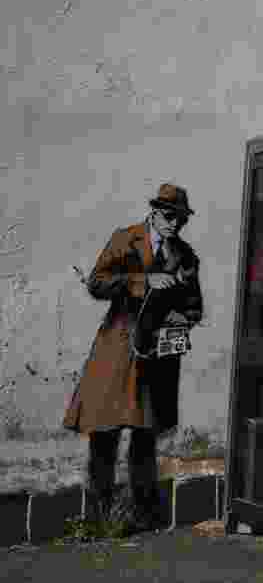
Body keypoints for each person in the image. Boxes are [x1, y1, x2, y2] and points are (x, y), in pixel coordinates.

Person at [63, 184, 204, 531]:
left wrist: (181, 318)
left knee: (145, 437)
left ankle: (144, 516)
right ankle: (97, 517)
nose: (175, 224)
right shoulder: (125, 239)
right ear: (154, 213)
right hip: (118, 348)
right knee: (104, 433)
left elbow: (194, 308)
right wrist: (142, 281)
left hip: (157, 356)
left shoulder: (186, 256)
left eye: (181, 219)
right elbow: (96, 282)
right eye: (170, 216)